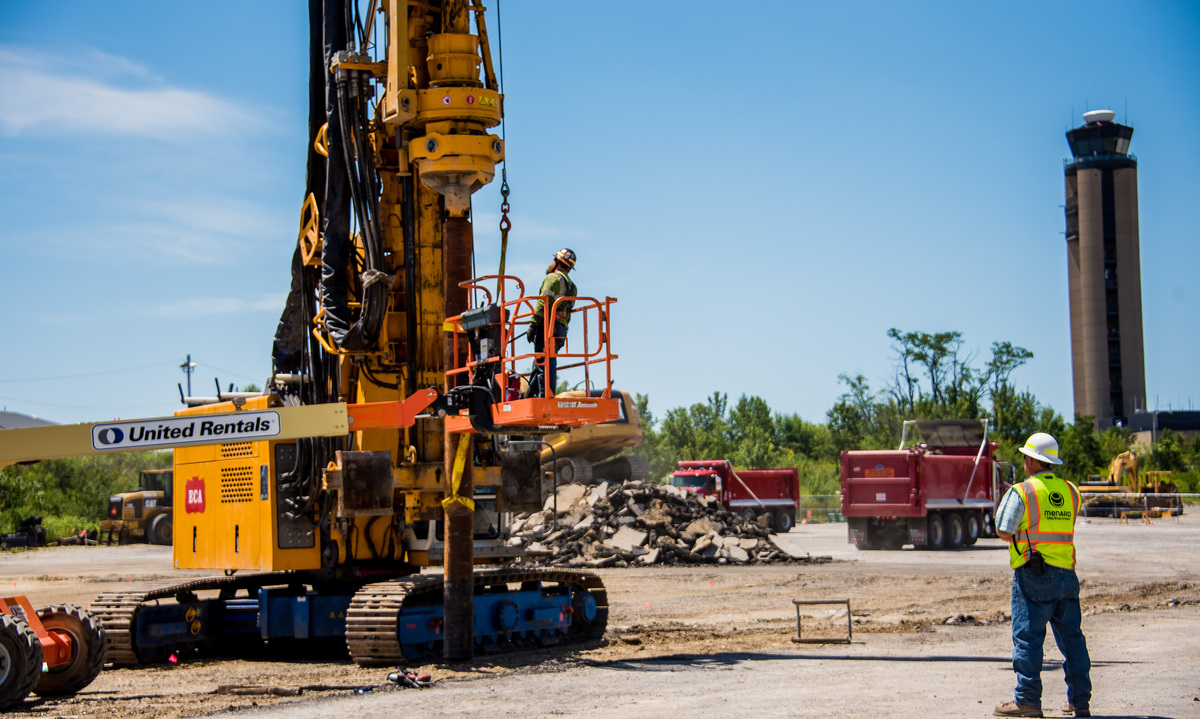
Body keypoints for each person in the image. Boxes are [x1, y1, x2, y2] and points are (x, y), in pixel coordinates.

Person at [993, 432, 1092, 718]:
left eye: (1026, 456)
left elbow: (1003, 530)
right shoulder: (1072, 491)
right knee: (1073, 640)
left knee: (1028, 639)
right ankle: (1079, 701)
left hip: (1033, 576)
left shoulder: (1022, 491)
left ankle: (1027, 701)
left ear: (1031, 460)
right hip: (1067, 576)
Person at [526, 248, 577, 397]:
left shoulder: (552, 278)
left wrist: (533, 325)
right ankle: (529, 396)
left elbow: (543, 304)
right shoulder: (572, 287)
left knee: (544, 363)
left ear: (557, 262)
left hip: (547, 327)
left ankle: (546, 396)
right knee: (542, 363)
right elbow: (567, 311)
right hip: (561, 329)